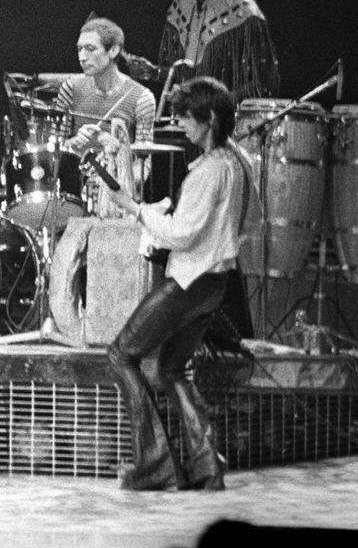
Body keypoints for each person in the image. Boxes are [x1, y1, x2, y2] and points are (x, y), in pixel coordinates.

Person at [103, 76, 261, 491]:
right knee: (172, 368)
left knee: (121, 354)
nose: (182, 125)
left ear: (208, 119)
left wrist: (135, 208)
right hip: (215, 283)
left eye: (187, 118)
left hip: (190, 281)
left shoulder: (209, 171)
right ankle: (206, 465)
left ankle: (154, 464)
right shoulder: (236, 161)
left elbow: (182, 234)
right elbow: (239, 222)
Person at [57, 16, 157, 218]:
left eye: (90, 49)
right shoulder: (71, 88)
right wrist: (76, 142)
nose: (82, 57)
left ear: (113, 50)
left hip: (117, 196)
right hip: (75, 191)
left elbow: (146, 158)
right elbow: (54, 146)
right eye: (79, 49)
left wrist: (121, 183)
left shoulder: (141, 97)